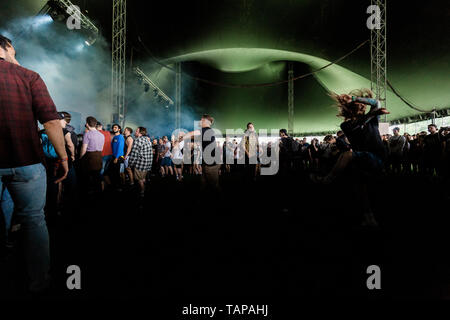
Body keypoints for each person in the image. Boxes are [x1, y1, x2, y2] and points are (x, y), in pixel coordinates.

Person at [0, 34, 68, 293]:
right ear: (7, 47)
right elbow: (51, 121)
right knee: (33, 221)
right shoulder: (29, 76)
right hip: (26, 161)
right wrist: (63, 158)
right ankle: (38, 282)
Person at [310, 89, 389, 227]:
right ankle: (368, 217)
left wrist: (352, 98)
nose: (362, 107)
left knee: (349, 156)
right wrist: (372, 113)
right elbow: (358, 124)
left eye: (362, 105)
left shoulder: (372, 120)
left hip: (376, 157)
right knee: (361, 187)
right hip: (361, 160)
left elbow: (376, 102)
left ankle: (326, 179)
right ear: (352, 110)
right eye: (358, 105)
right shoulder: (345, 125)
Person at [183, 114, 220, 190]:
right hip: (209, 163)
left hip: (211, 164)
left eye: (201, 120)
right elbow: (194, 136)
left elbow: (191, 134)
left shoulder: (205, 130)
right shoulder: (207, 131)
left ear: (204, 121)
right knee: (204, 184)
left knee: (214, 186)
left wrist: (182, 137)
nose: (199, 121)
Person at [80, 117, 105, 194]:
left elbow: (84, 149)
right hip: (99, 157)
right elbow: (102, 147)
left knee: (86, 178)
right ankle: (98, 195)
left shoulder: (87, 134)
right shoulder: (101, 135)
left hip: (90, 158)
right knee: (97, 178)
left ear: (87, 124)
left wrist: (80, 158)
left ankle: (87, 196)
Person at [128, 127, 153, 198]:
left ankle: (142, 191)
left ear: (140, 133)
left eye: (136, 131)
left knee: (139, 180)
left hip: (140, 164)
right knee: (143, 178)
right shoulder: (147, 140)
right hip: (147, 164)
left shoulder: (138, 140)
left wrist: (130, 164)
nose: (135, 132)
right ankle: (144, 188)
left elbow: (134, 155)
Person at [97, 122, 113, 190]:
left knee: (100, 172)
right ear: (101, 126)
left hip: (103, 155)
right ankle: (109, 185)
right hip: (110, 154)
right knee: (105, 171)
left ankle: (102, 187)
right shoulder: (108, 133)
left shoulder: (97, 133)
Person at [110, 124, 125, 189]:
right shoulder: (114, 137)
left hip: (119, 157)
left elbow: (120, 148)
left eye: (116, 127)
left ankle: (119, 187)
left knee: (117, 172)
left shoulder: (120, 137)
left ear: (119, 129)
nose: (114, 128)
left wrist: (116, 158)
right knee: (113, 172)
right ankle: (115, 185)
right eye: (113, 127)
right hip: (113, 156)